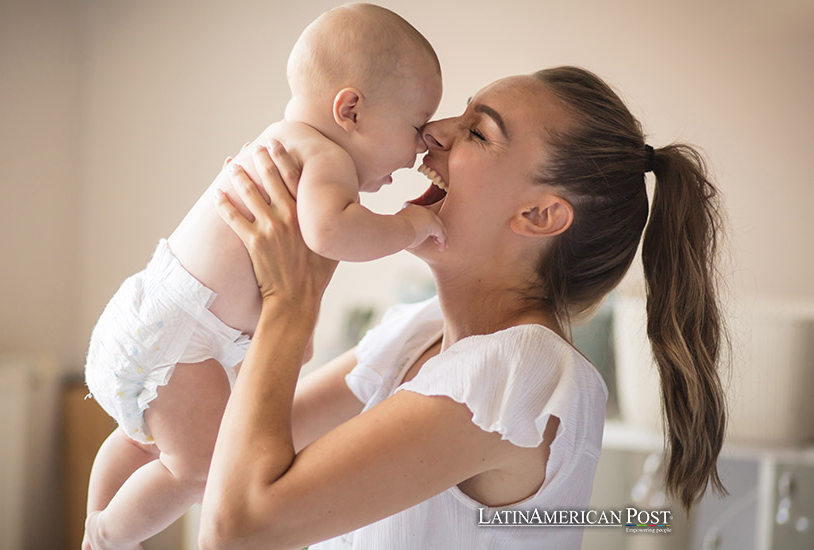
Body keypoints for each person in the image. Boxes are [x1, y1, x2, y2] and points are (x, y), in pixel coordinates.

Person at [200, 66, 727, 550]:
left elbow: (237, 527)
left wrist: (288, 306)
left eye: (478, 132)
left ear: (540, 215)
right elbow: (209, 459)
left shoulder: (520, 372)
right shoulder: (421, 330)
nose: (435, 130)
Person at [81, 4, 444, 549]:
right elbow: (329, 233)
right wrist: (411, 224)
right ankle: (109, 534)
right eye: (417, 125)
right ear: (350, 110)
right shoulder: (324, 155)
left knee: (145, 444)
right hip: (185, 338)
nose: (422, 145)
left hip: (158, 317)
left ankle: (95, 522)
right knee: (202, 469)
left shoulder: (284, 140)